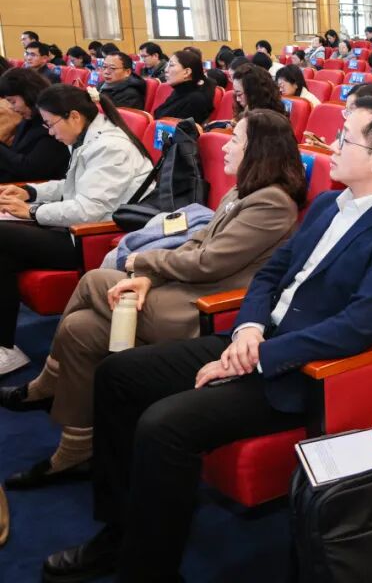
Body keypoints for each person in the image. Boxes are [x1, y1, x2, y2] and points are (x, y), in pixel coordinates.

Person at [41, 99, 372, 583]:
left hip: (300, 370)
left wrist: (260, 356)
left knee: (165, 425)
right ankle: (119, 533)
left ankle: (147, 569)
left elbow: (356, 326)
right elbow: (270, 274)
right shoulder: (328, 205)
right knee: (118, 374)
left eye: (345, 138)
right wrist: (248, 329)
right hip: (254, 338)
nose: (331, 145)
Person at [0, 109, 306, 487]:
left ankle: (48, 383)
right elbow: (197, 242)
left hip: (204, 307)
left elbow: (208, 262)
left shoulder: (272, 203)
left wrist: (143, 262)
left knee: (94, 280)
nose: (226, 146)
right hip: (184, 288)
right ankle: (76, 448)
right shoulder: (241, 191)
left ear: (260, 149)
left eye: (236, 139)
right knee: (80, 328)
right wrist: (148, 276)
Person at [0, 85, 154, 375]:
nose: (50, 132)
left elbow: (88, 209)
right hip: (77, 228)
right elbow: (71, 185)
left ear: (74, 116)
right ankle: (6, 347)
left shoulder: (110, 146)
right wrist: (31, 192)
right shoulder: (88, 137)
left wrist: (31, 211)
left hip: (94, 238)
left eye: (51, 124)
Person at [0, 68, 71, 183]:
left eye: (13, 102)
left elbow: (31, 170)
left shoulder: (52, 123)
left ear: (28, 95)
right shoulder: (29, 118)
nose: (12, 108)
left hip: (38, 187)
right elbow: (16, 153)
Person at [153, 49, 215, 123]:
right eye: (167, 65)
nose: (166, 70)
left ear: (187, 72)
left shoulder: (195, 100)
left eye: (171, 65)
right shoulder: (179, 91)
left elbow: (179, 129)